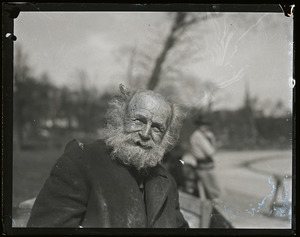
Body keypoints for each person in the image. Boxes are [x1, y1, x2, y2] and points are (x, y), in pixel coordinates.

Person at [27, 85, 189, 228]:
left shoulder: (166, 181)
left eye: (157, 128)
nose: (146, 133)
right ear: (120, 119)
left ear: (165, 137)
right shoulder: (81, 161)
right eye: (139, 121)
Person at [181, 116, 222, 200]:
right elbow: (210, 151)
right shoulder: (198, 136)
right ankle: (212, 207)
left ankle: (213, 204)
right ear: (198, 125)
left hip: (208, 164)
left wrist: (212, 140)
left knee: (214, 188)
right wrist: (215, 144)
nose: (205, 127)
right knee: (211, 191)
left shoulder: (207, 134)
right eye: (202, 125)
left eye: (206, 125)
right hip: (202, 165)